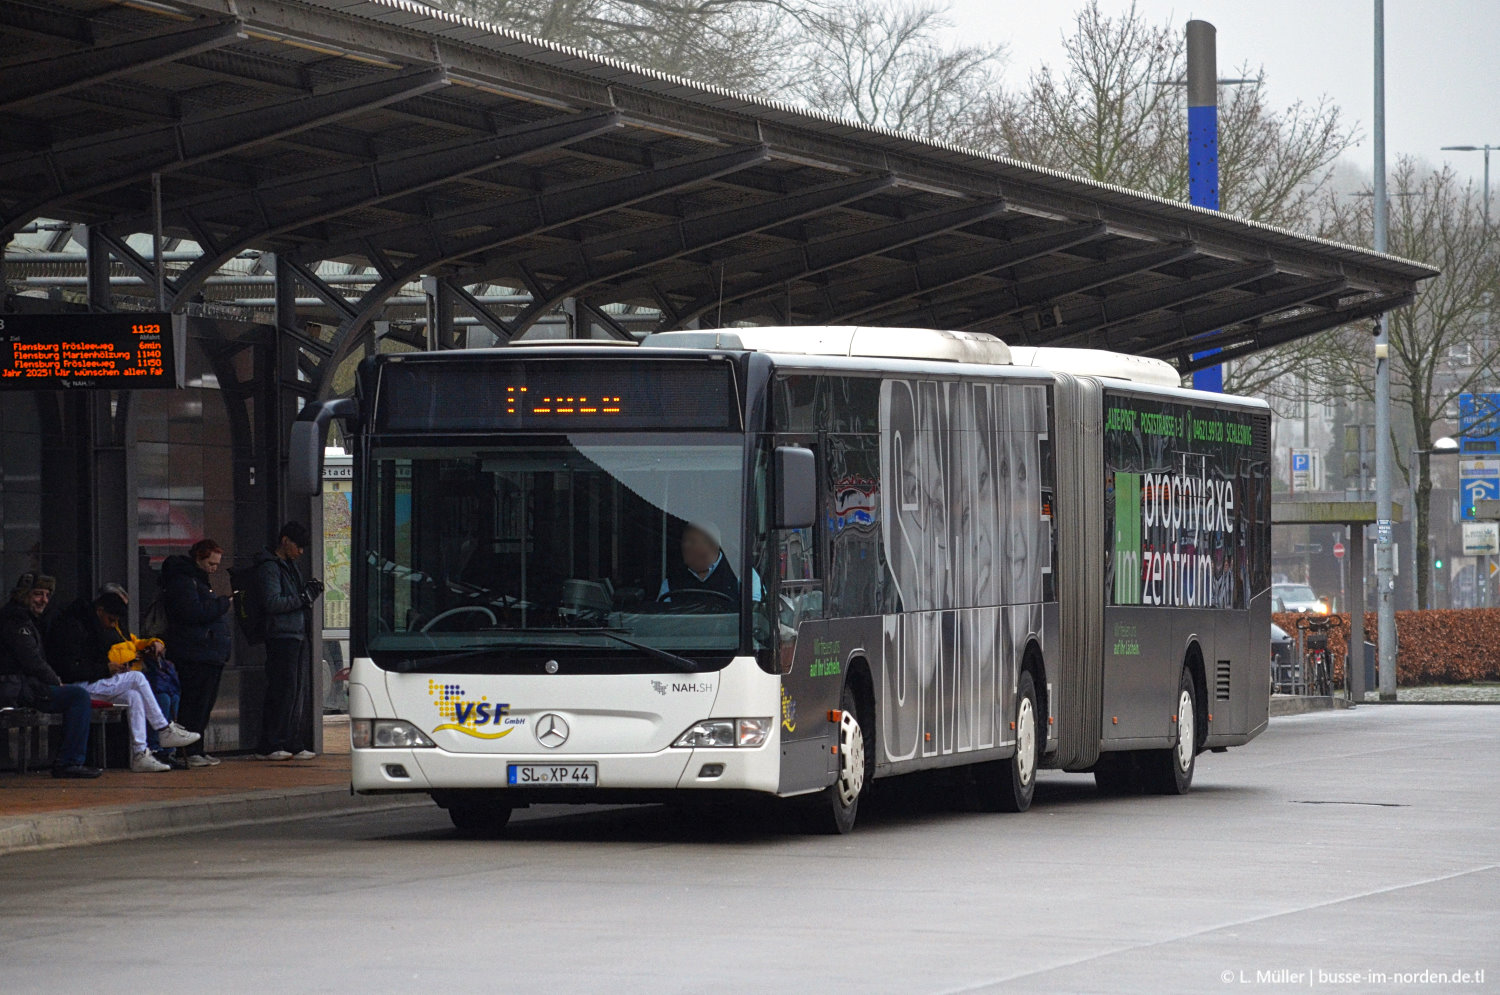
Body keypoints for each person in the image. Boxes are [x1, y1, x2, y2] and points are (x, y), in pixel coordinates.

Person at [47, 589, 200, 772]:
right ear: (100, 611)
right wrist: (106, 668)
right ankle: (163, 729)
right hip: (75, 686)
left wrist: (110, 668)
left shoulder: (93, 626)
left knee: (133, 695)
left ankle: (140, 753)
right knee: (137, 678)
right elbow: (71, 669)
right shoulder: (75, 628)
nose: (113, 625)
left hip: (90, 681)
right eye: (111, 620)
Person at [0, 573, 100, 778]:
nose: (43, 600)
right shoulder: (16, 621)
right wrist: (55, 681)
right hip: (16, 688)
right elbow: (31, 661)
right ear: (23, 595)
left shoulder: (27, 619)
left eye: (47, 594)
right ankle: (69, 761)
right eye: (38, 594)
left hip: (21, 685)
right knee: (78, 696)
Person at [252, 522, 323, 761]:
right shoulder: (269, 567)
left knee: (295, 691)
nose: (301, 552)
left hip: (296, 634)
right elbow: (272, 602)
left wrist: (307, 593)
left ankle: (291, 740)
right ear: (285, 541)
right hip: (281, 636)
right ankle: (271, 743)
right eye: (298, 546)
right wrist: (303, 597)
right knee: (282, 690)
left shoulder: (290, 567)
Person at [161, 539, 232, 768]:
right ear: (199, 558)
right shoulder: (184, 581)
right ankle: (190, 749)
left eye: (217, 564)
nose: (214, 568)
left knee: (204, 703)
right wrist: (222, 604)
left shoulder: (198, 580)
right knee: (194, 703)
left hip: (207, 652)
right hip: (194, 653)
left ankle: (197, 748)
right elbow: (192, 612)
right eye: (211, 563)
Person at [657, 523, 761, 604]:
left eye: (692, 542)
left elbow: (754, 614)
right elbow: (662, 618)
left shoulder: (743, 574)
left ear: (714, 545)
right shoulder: (671, 581)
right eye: (685, 542)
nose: (686, 547)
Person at [138, 640, 183, 767]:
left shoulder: (125, 635)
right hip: (134, 677)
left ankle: (169, 750)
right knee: (162, 699)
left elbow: (138, 642)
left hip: (149, 677)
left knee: (173, 698)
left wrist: (155, 642)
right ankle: (155, 747)